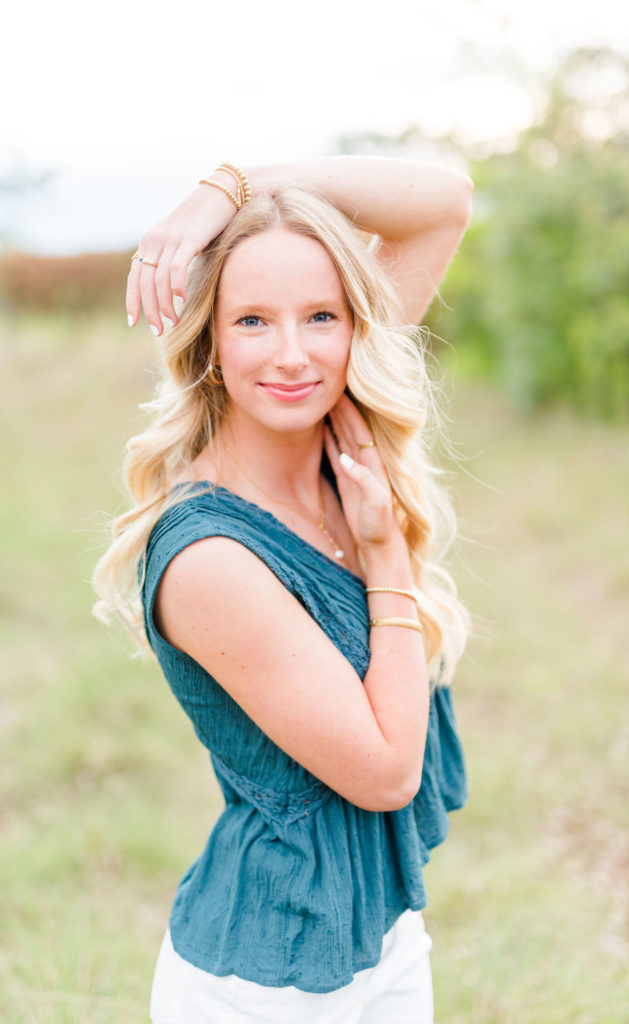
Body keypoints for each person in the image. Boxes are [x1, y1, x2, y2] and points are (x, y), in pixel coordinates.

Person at [93, 156, 473, 1023]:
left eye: (322, 317)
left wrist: (229, 185)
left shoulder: (332, 444)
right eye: (253, 320)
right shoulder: (210, 556)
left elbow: (445, 201)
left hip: (382, 940)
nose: (293, 354)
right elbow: (384, 774)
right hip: (263, 981)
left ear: (355, 328)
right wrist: (385, 559)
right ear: (212, 346)